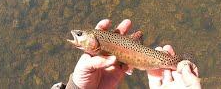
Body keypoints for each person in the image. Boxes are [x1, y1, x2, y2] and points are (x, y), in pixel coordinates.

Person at [52, 19, 201, 89]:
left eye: (80, 34)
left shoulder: (99, 47)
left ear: (94, 39)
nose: (76, 35)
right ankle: (183, 63)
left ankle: (183, 62)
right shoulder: (98, 47)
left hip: (143, 56)